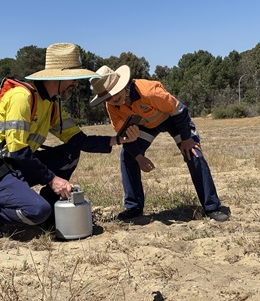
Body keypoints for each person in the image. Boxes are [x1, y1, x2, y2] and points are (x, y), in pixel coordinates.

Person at [0, 43, 139, 239]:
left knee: (70, 153)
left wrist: (117, 139)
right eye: (73, 79)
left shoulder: (51, 104)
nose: (76, 84)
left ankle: (49, 208)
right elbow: (17, 151)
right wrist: (53, 180)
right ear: (59, 77)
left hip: (19, 167)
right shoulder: (21, 98)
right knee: (37, 212)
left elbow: (78, 140)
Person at [89, 65, 230, 222]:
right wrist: (139, 157)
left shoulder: (148, 90)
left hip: (173, 119)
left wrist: (186, 138)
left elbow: (179, 110)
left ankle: (212, 206)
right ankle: (133, 206)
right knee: (127, 156)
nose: (111, 99)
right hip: (146, 126)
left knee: (193, 153)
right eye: (106, 97)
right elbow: (124, 136)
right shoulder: (112, 105)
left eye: (113, 93)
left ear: (122, 84)